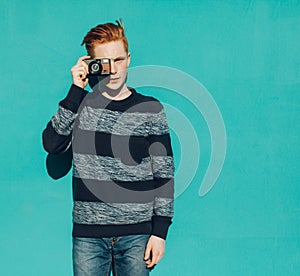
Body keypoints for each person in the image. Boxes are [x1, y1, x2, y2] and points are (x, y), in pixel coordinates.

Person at [42, 20, 175, 276]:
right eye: (105, 62)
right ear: (92, 65)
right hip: (88, 236)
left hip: (137, 233)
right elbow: (52, 143)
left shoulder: (151, 109)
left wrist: (160, 232)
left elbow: (164, 173)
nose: (113, 70)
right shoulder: (80, 104)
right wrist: (76, 89)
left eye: (119, 60)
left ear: (129, 58)